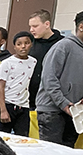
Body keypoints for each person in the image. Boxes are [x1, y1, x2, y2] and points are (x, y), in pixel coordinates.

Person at [36, 11, 83, 148]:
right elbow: (49, 78)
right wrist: (63, 103)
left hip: (74, 113)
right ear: (81, 27)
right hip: (52, 112)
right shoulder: (63, 46)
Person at [0, 31, 36, 136]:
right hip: (7, 105)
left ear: (31, 44)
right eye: (19, 44)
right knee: (2, 138)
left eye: (26, 43)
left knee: (22, 138)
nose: (23, 47)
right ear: (14, 46)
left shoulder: (33, 62)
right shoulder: (6, 63)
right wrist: (3, 110)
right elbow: (0, 87)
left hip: (24, 106)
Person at [28, 9, 63, 111]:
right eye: (30, 26)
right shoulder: (30, 43)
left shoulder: (61, 44)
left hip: (51, 101)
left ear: (47, 24)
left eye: (35, 26)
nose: (31, 30)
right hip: (29, 100)